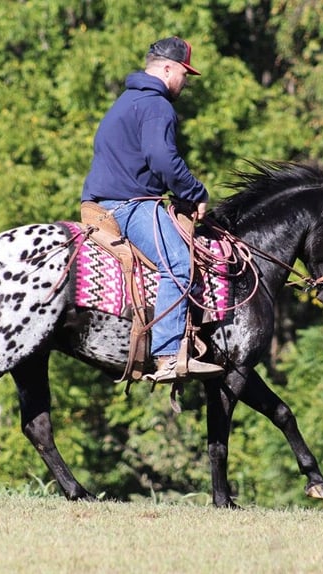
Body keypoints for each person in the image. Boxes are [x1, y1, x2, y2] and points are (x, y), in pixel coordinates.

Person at [81, 36, 224, 383]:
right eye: (184, 74)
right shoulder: (157, 105)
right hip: (130, 206)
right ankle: (168, 356)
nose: (185, 82)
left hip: (101, 204)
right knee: (178, 262)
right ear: (167, 68)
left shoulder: (126, 101)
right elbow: (162, 158)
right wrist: (195, 192)